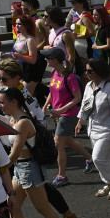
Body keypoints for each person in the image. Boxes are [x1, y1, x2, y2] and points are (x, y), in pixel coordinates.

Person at [0, 88, 70, 218]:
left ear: (14, 101)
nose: (0, 106)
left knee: (42, 208)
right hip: (20, 169)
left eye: (2, 102)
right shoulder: (14, 119)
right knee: (13, 206)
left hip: (29, 168)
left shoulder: (22, 122)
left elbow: (15, 153)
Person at [37, 47, 90, 188]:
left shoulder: (70, 77)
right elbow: (51, 91)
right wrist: (46, 104)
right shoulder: (54, 72)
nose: (45, 59)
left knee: (58, 143)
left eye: (47, 58)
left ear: (55, 60)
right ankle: (89, 159)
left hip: (68, 114)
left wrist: (60, 110)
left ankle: (62, 176)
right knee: (68, 142)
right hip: (58, 114)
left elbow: (77, 98)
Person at [76, 58, 110, 199]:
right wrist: (80, 122)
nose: (86, 73)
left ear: (98, 72)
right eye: (86, 70)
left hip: (106, 130)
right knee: (104, 159)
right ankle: (108, 183)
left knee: (97, 158)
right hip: (93, 129)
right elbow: (85, 105)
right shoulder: (89, 86)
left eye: (89, 71)